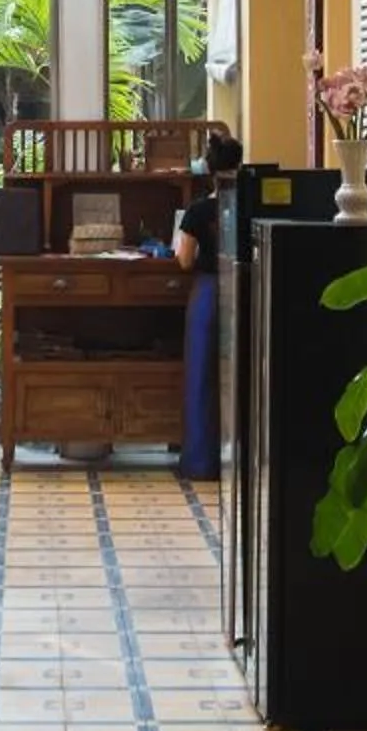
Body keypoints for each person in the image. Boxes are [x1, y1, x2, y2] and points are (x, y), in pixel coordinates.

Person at [169, 131, 242, 482]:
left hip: (209, 294)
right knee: (241, 378)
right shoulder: (247, 206)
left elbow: (184, 260)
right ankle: (241, 463)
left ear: (208, 170)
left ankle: (200, 462)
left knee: (201, 378)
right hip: (244, 290)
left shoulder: (198, 211)